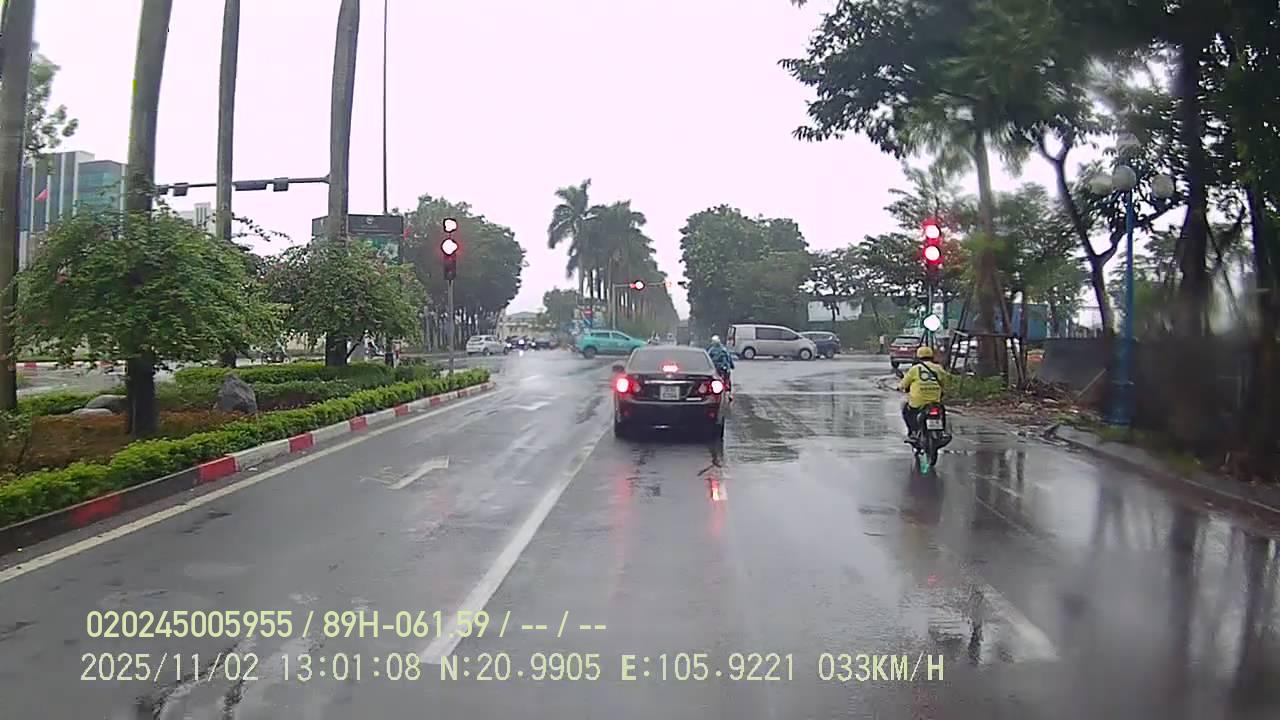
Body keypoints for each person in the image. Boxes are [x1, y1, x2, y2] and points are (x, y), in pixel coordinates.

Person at [898, 345, 947, 440]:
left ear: (918, 357)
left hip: (918, 402)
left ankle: (913, 431)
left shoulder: (914, 369)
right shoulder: (938, 368)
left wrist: (899, 387)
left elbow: (903, 384)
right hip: (935, 400)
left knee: (906, 409)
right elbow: (945, 381)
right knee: (942, 411)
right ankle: (942, 432)